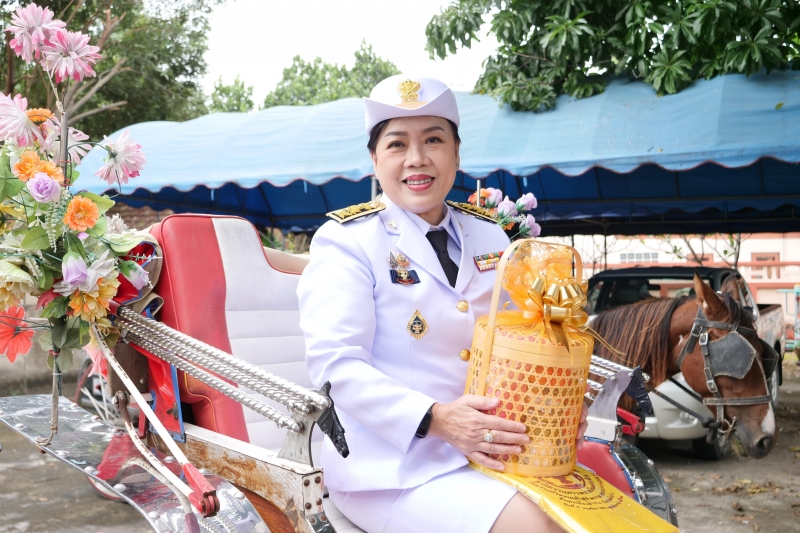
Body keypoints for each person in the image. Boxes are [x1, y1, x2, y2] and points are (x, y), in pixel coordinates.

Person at [298, 75, 586, 533]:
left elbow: (520, 337)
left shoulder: (490, 234)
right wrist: (439, 420)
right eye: (397, 144)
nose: (417, 159)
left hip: (490, 449)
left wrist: (561, 398)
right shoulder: (347, 240)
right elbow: (337, 367)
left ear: (456, 153)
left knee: (606, 508)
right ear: (375, 160)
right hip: (391, 471)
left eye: (434, 139)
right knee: (540, 528)